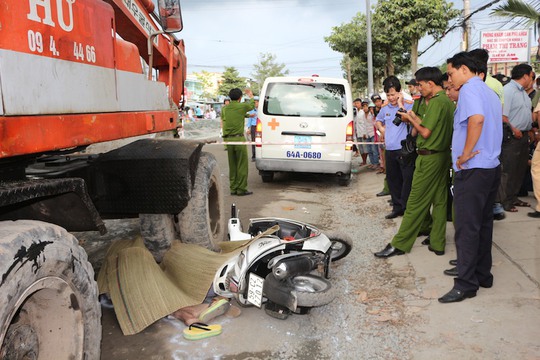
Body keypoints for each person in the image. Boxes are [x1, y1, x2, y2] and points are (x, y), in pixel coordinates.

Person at [438, 52, 502, 303]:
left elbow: (476, 120)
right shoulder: (489, 92)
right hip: (490, 167)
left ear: (464, 69)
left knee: (466, 228)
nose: (450, 80)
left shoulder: (470, 90)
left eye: (451, 73)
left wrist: (464, 155)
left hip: (473, 168)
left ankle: (465, 284)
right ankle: (482, 275)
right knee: (484, 224)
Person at [374, 67, 455, 258]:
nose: (417, 88)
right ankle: (437, 241)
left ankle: (400, 243)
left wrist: (409, 116)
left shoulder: (438, 102)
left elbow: (425, 132)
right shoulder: (442, 101)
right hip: (438, 155)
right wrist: (410, 115)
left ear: (430, 83)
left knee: (414, 201)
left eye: (419, 84)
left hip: (430, 157)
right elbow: (421, 126)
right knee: (440, 200)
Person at [375, 76, 414, 219]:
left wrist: (400, 104)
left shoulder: (409, 104)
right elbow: (378, 120)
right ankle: (397, 207)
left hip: (404, 150)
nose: (391, 97)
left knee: (406, 181)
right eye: (388, 95)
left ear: (400, 92)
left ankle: (406, 208)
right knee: (393, 180)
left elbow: (409, 121)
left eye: (393, 94)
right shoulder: (384, 107)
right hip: (390, 149)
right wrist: (381, 129)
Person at [500, 64, 534, 213]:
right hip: (512, 136)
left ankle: (513, 197)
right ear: (525, 76)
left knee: (520, 169)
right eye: (531, 76)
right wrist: (514, 129)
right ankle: (504, 200)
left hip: (524, 135)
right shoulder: (508, 91)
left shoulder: (523, 93)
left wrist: (530, 129)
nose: (532, 80)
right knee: (509, 169)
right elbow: (502, 116)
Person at [222, 88, 255, 196]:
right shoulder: (242, 106)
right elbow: (251, 106)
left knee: (232, 165)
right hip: (239, 139)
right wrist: (251, 96)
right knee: (242, 164)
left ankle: (233, 188)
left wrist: (246, 116)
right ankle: (241, 189)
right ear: (240, 98)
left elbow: (234, 115)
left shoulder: (225, 109)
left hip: (228, 140)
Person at [354, 98, 369, 165]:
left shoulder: (363, 112)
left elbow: (365, 123)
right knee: (360, 148)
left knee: (365, 148)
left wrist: (365, 133)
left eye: (358, 103)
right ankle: (363, 161)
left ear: (360, 103)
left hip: (363, 133)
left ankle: (365, 161)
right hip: (358, 132)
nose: (356, 104)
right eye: (355, 103)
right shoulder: (356, 112)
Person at [246, 97, 259, 161]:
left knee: (260, 141)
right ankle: (254, 156)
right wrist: (248, 128)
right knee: (253, 141)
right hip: (254, 127)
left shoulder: (262, 110)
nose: (256, 103)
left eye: (257, 102)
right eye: (255, 102)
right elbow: (249, 120)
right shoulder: (251, 111)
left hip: (260, 127)